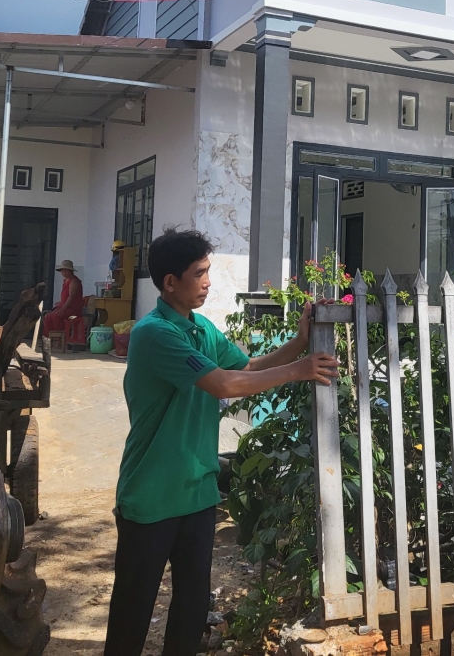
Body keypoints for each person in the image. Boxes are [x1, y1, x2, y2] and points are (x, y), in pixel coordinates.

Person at [104, 229, 337, 656]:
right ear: (170, 282)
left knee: (191, 609)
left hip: (196, 491)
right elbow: (223, 383)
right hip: (152, 495)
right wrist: (298, 369)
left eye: (208, 270)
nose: (208, 280)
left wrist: (299, 343)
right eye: (200, 273)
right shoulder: (155, 333)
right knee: (132, 615)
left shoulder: (200, 329)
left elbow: (247, 366)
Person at [42, 259, 84, 333]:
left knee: (56, 316)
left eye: (66, 270)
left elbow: (71, 297)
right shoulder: (65, 281)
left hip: (73, 310)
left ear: (71, 271)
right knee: (48, 317)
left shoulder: (74, 281)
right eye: (62, 270)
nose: (63, 273)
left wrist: (63, 309)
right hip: (64, 307)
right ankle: (48, 339)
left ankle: (60, 338)